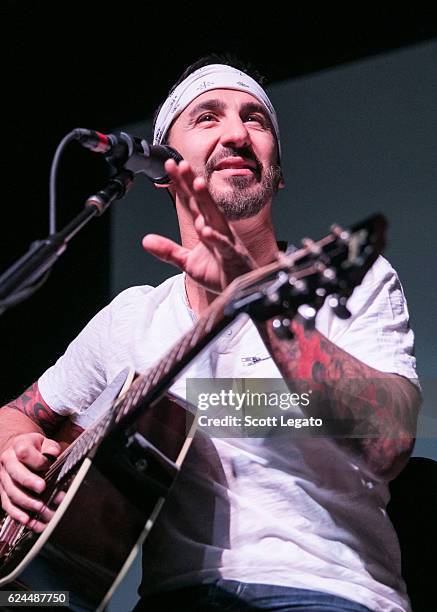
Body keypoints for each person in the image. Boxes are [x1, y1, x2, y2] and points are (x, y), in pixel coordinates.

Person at [0, 54, 421, 611]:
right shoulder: (133, 317)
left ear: (278, 169)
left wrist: (254, 296)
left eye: (256, 119)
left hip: (324, 588)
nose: (235, 133)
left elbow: (390, 440)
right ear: (161, 169)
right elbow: (20, 412)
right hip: (173, 596)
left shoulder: (353, 277)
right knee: (32, 607)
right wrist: (12, 449)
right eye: (207, 117)